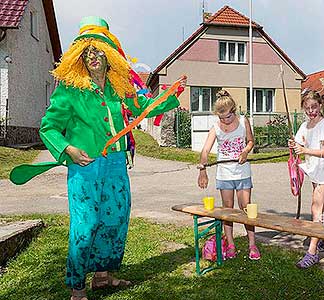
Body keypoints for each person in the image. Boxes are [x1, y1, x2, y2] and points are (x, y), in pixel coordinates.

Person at [10, 16, 186, 300]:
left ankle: (104, 277)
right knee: (86, 224)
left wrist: (169, 94)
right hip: (85, 167)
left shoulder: (118, 88)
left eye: (99, 50)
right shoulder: (70, 90)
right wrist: (68, 149)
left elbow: (143, 107)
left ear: (110, 56)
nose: (93, 56)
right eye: (88, 51)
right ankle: (77, 287)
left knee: (115, 219)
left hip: (116, 165)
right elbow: (49, 127)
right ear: (80, 55)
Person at [197, 89, 260, 261]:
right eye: (221, 117)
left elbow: (251, 141)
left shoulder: (243, 122)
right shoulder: (216, 127)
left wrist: (246, 151)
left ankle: (252, 244)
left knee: (246, 208)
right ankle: (231, 244)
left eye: (228, 117)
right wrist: (203, 170)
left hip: (242, 172)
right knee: (227, 210)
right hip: (224, 175)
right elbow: (205, 151)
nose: (225, 121)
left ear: (234, 111)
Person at [288, 90, 324, 268]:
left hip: (323, 170)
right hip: (314, 169)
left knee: (316, 206)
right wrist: (294, 145)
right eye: (307, 108)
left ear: (320, 105)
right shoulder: (305, 125)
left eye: (314, 107)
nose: (311, 111)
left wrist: (305, 150)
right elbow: (299, 143)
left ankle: (312, 251)